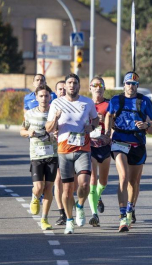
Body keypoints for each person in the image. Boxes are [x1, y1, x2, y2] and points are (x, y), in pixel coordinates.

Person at [105, 71, 152, 232]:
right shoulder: (116, 100)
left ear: (137, 86)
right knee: (123, 176)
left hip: (138, 143)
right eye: (128, 83)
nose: (131, 86)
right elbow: (108, 115)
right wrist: (108, 132)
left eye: (134, 84)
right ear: (124, 85)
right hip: (120, 141)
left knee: (134, 182)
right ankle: (122, 217)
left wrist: (147, 125)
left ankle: (130, 208)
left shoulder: (144, 101)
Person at [46, 73, 99, 234]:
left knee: (84, 183)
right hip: (64, 150)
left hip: (83, 149)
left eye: (75, 83)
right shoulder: (56, 103)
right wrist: (55, 118)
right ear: (65, 86)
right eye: (69, 83)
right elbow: (48, 128)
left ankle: (80, 206)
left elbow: (96, 120)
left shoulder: (87, 102)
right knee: (67, 189)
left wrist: (92, 127)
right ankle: (69, 220)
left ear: (78, 86)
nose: (71, 85)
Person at [20, 84, 58, 230]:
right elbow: (22, 130)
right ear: (36, 97)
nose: (43, 98)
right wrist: (28, 133)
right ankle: (35, 197)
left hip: (52, 154)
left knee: (48, 188)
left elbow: (61, 130)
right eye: (41, 96)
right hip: (36, 155)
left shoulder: (54, 114)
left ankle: (44, 218)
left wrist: (56, 135)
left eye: (46, 96)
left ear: (50, 97)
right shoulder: (30, 113)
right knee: (39, 187)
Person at [87, 77, 111, 227]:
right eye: (94, 85)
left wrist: (108, 134)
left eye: (100, 85)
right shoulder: (85, 104)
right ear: (90, 88)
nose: (98, 88)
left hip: (104, 145)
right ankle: (94, 214)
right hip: (89, 145)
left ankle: (98, 197)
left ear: (104, 88)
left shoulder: (108, 104)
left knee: (103, 182)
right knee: (92, 181)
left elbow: (112, 124)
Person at [53, 80, 68, 226]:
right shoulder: (53, 106)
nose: (62, 91)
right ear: (56, 91)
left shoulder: (74, 105)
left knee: (71, 183)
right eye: (60, 89)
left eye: (64, 89)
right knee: (58, 180)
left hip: (72, 148)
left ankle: (70, 205)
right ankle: (61, 212)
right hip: (56, 147)